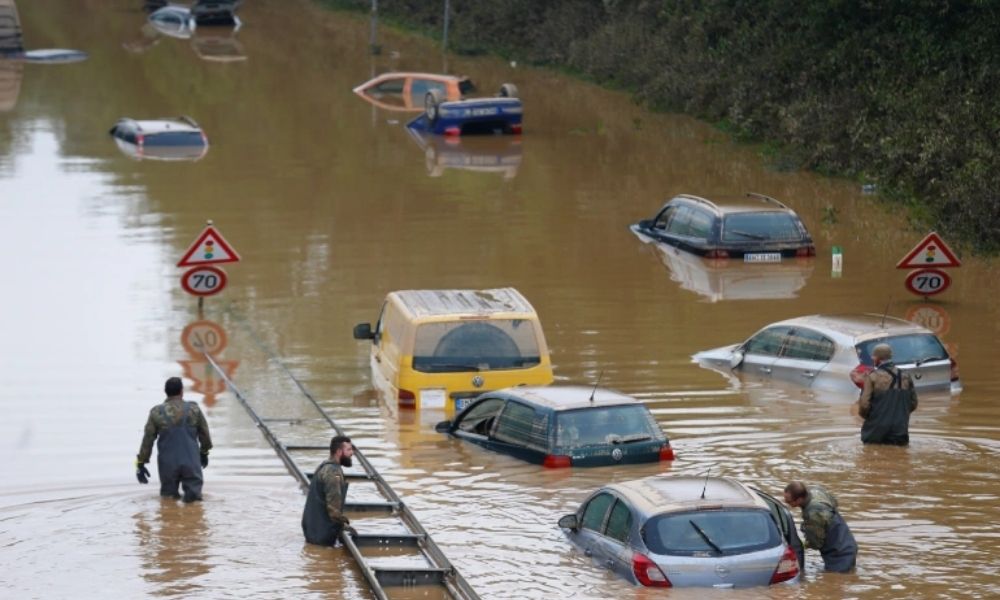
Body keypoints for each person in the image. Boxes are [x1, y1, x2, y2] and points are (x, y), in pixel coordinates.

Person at [135, 377, 213, 502]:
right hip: (191, 463)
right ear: (182, 391)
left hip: (167, 465)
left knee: (168, 502)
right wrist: (204, 453)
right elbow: (205, 436)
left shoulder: (156, 412)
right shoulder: (194, 410)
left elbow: (147, 441)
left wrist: (141, 463)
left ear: (165, 392)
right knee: (194, 503)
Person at [783, 481, 857, 572]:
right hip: (847, 540)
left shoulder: (813, 514)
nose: (786, 502)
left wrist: (803, 545)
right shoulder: (816, 490)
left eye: (788, 501)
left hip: (839, 554)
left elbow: (816, 543)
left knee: (835, 581)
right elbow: (834, 502)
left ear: (799, 500)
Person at [857, 343, 918, 445]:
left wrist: (873, 418)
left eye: (874, 357)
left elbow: (864, 405)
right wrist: (899, 415)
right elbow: (913, 403)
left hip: (875, 432)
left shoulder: (872, 377)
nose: (872, 359)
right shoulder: (905, 376)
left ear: (878, 359)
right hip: (900, 431)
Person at [302, 435, 357, 546]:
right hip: (322, 534)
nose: (352, 453)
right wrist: (346, 524)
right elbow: (334, 510)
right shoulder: (333, 473)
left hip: (312, 529)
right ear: (339, 451)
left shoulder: (324, 466)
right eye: (349, 450)